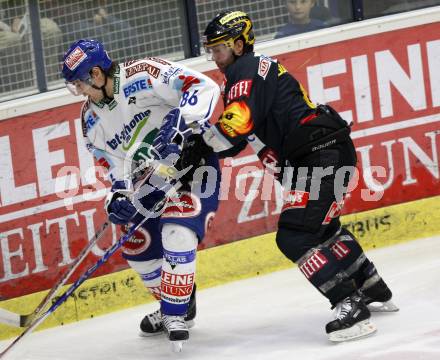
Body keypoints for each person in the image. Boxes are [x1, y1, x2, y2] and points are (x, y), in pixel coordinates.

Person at [158, 10, 398, 342]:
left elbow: (235, 125)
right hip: (324, 152)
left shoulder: (245, 73)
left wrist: (199, 144)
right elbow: (238, 138)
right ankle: (372, 287)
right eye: (211, 49)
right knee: (322, 229)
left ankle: (350, 303)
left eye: (219, 48)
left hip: (321, 156)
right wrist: (205, 150)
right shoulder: (254, 72)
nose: (214, 56)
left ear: (240, 44)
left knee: (294, 236)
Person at [61, 39, 221, 351]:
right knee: (137, 244)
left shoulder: (144, 74)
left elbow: (204, 87)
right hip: (150, 181)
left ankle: (175, 314)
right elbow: (114, 165)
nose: (79, 91)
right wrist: (118, 196)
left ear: (96, 74)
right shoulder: (90, 120)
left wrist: (180, 125)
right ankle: (180, 302)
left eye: (79, 83)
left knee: (178, 230)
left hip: (192, 165)